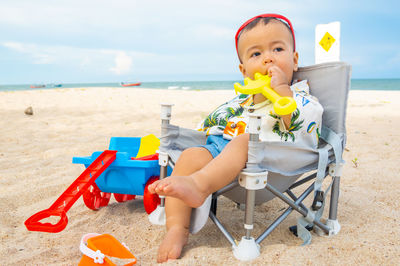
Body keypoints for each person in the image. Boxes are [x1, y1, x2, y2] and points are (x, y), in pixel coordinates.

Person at [148, 14, 323, 263]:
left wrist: (282, 90)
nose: (268, 58)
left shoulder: (300, 97)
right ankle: (177, 228)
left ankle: (199, 186)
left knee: (244, 142)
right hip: (226, 152)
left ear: (294, 60)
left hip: (272, 157)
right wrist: (206, 131)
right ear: (244, 71)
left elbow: (300, 123)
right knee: (190, 155)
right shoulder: (242, 99)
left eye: (278, 48)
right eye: (256, 54)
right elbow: (216, 123)